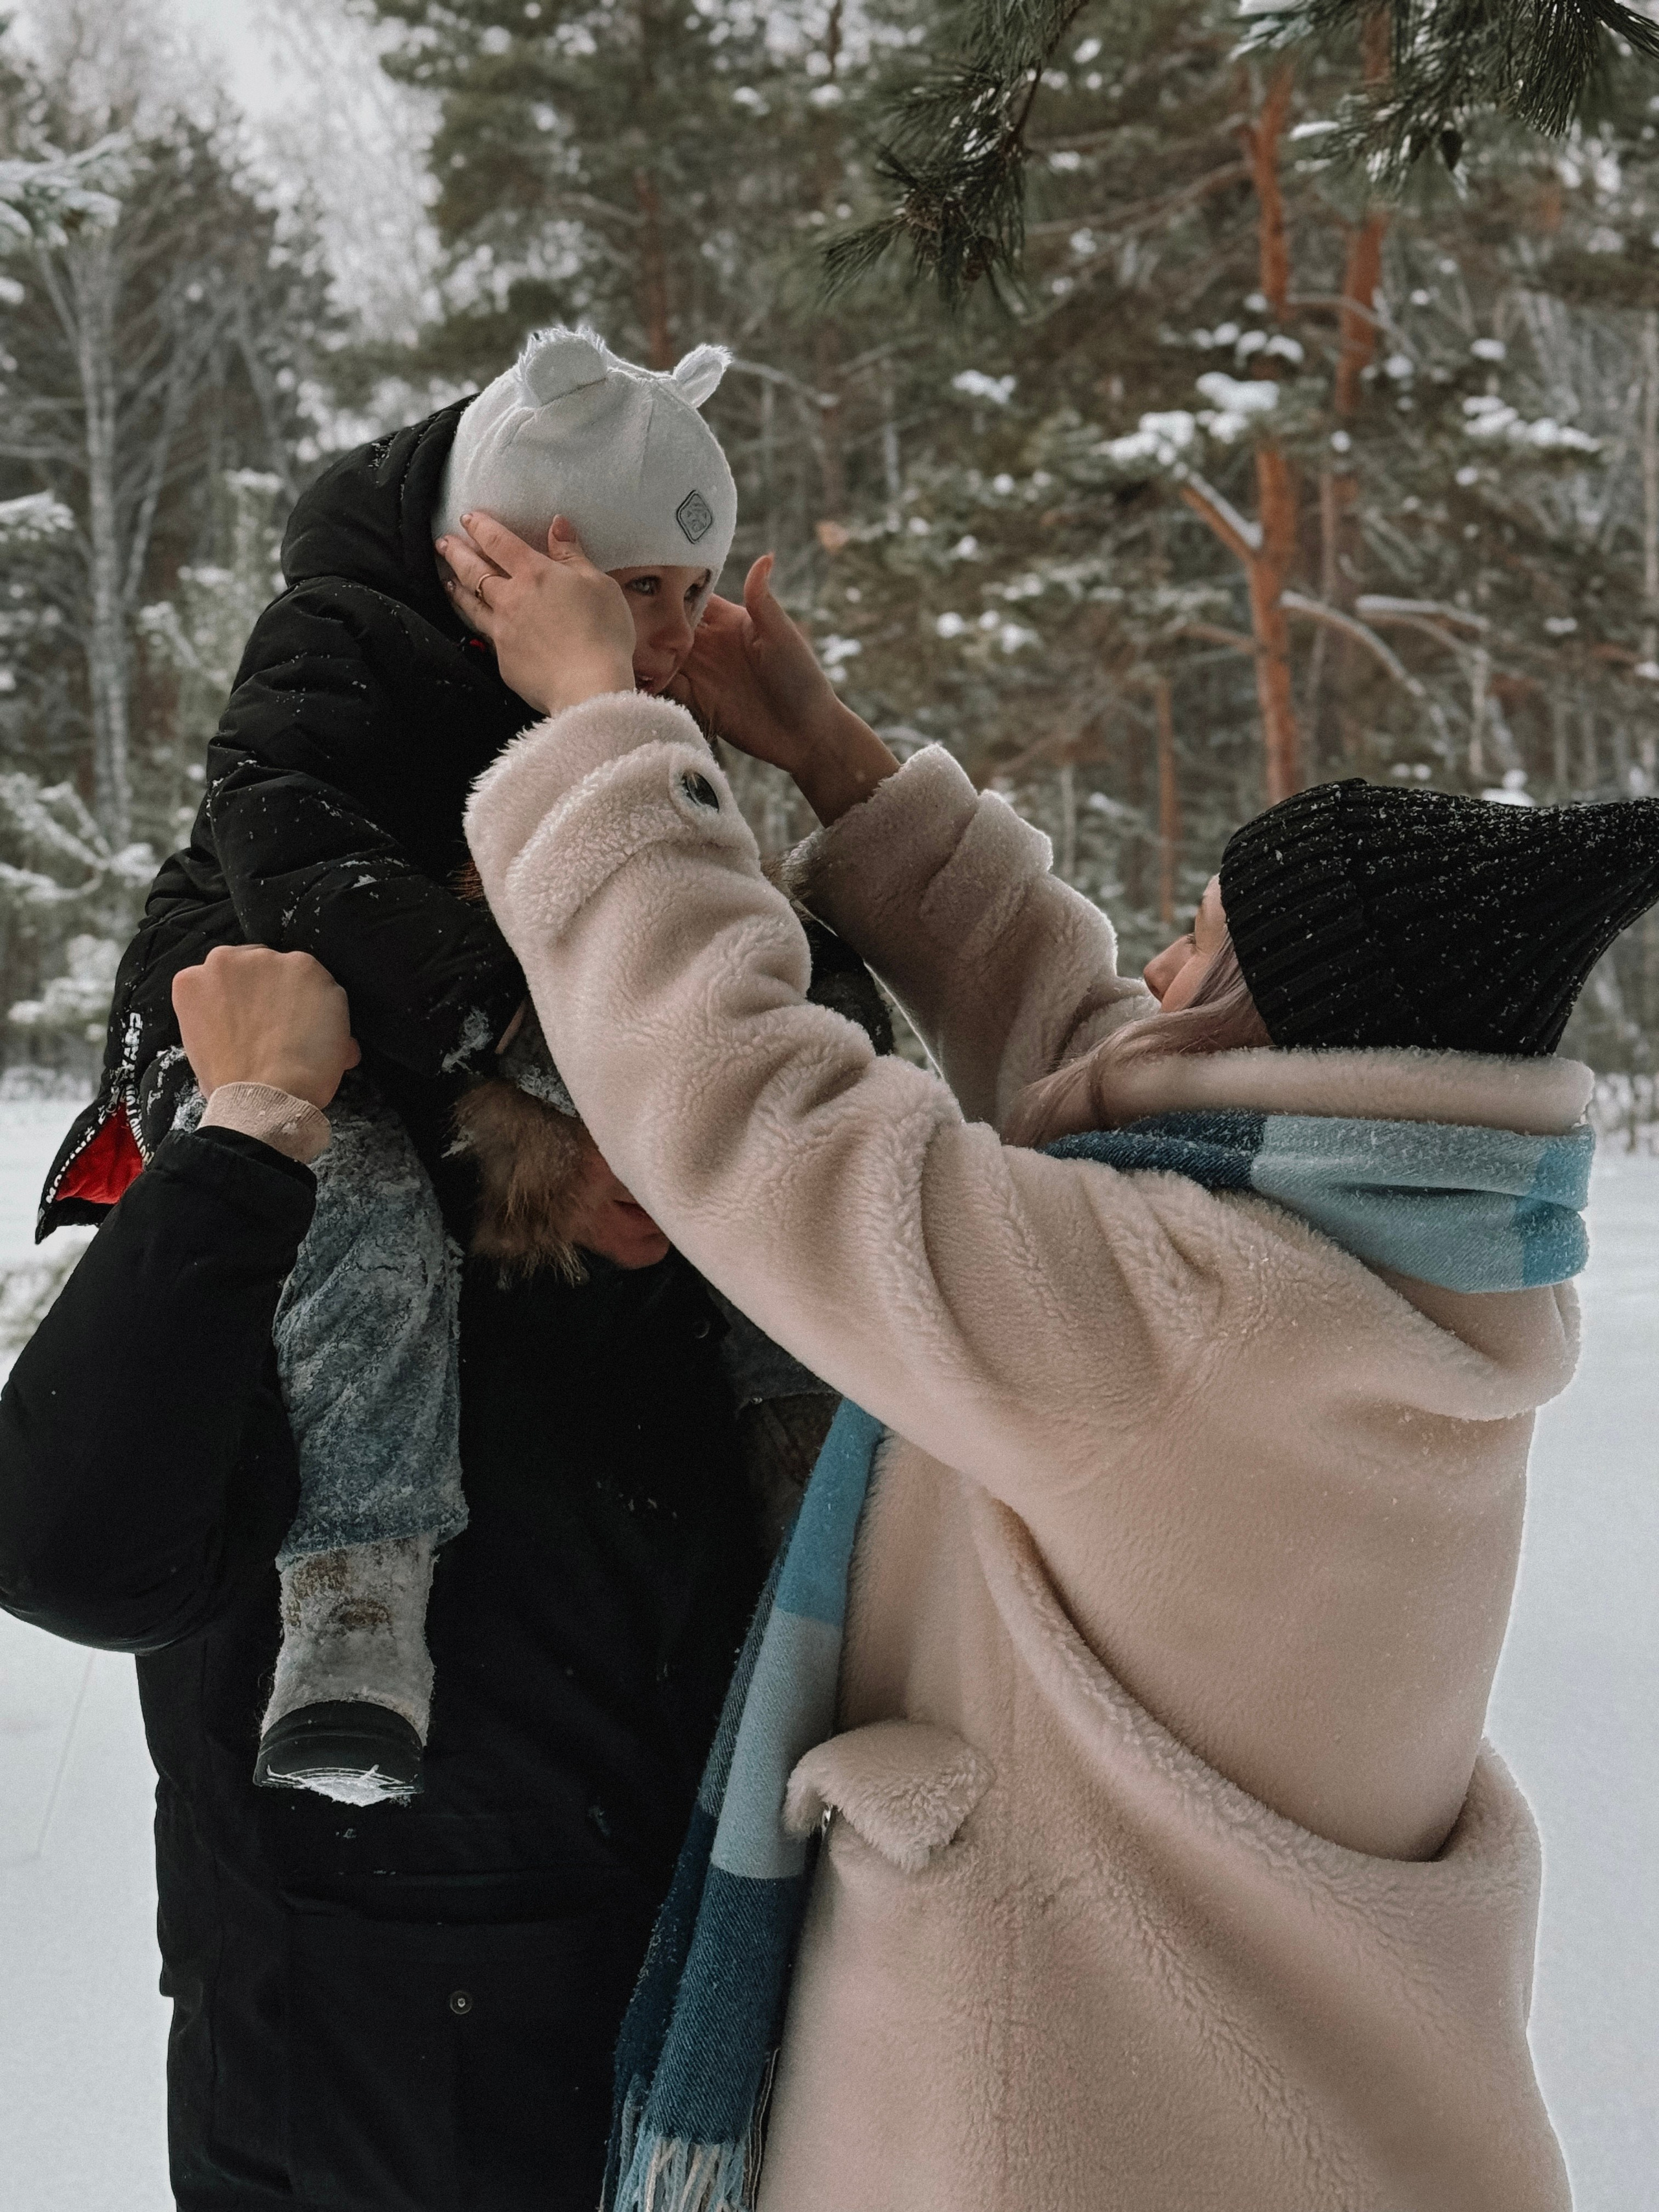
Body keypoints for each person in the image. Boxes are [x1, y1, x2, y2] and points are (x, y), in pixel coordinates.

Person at [448, 509, 1659, 2211]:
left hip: (1054, 2140)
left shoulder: (1190, 1327)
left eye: (1198, 942)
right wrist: (830, 752)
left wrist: (599, 729)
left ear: (1274, 1037)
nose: (1149, 962)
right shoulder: (1408, 1275)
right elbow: (1105, 1051)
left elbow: (764, 1123)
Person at [32, 324, 881, 1806]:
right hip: (263, 1039)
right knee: (348, 1196)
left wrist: (767, 766)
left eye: (691, 592)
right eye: (638, 594)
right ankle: (358, 1596)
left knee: (780, 1192)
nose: (678, 633)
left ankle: (822, 1526)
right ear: (509, 562)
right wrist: (538, 1067)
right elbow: (301, 872)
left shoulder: (634, 727)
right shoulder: (341, 647)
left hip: (608, 1752)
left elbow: (766, 1004)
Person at [0, 937, 852, 2211]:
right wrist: (249, 1140)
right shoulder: (327, 1226)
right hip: (353, 2108)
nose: (651, 1149)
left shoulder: (741, 1295)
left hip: (720, 2086)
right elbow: (76, 1553)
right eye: (589, 1093)